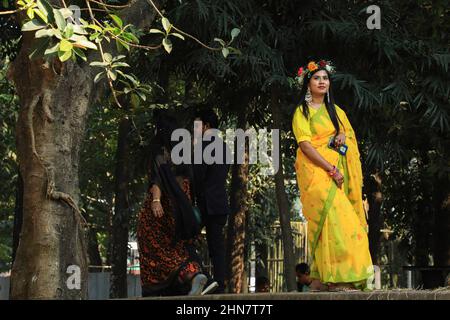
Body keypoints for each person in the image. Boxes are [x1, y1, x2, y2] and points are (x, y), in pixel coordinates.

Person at [292, 60, 374, 291]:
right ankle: (339, 279)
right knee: (338, 223)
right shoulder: (302, 112)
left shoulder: (336, 112)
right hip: (317, 175)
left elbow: (346, 135)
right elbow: (306, 146)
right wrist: (331, 168)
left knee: (338, 225)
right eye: (317, 78)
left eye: (325, 78)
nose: (321, 82)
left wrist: (341, 136)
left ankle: (321, 278)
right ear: (307, 84)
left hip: (336, 175)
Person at [137, 111, 208, 297]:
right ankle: (192, 277)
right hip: (181, 205)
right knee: (177, 245)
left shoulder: (158, 149)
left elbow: (157, 178)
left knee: (152, 246)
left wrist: (155, 200)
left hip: (163, 205)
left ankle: (188, 276)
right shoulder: (182, 148)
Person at [192, 108, 231, 294]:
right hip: (220, 202)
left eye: (197, 126)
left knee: (185, 241)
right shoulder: (224, 146)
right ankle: (219, 283)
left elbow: (198, 176)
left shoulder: (203, 146)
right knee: (217, 247)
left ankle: (203, 278)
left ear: (206, 126)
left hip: (206, 204)